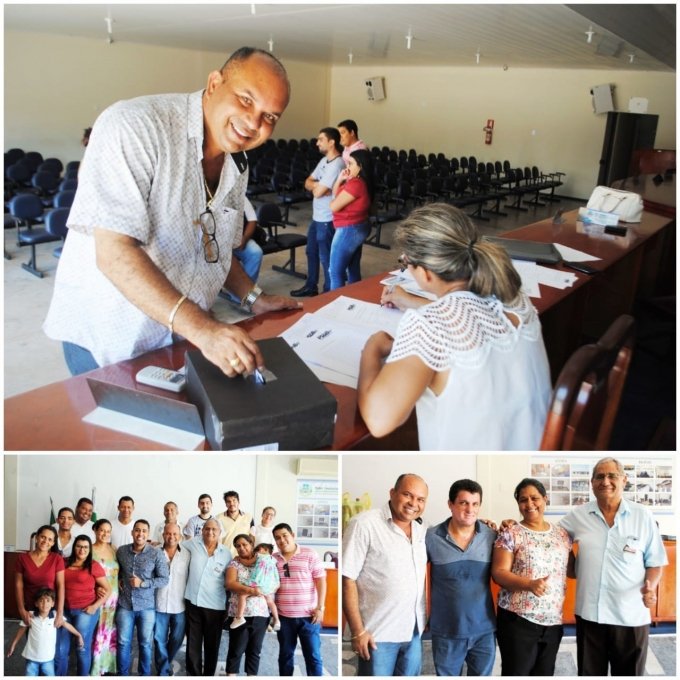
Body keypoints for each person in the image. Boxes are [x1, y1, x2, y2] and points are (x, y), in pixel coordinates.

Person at [44, 46, 300, 379]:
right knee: (119, 433)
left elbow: (214, 249)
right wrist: (205, 330)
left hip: (178, 339)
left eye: (270, 117)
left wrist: (253, 298)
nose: (254, 123)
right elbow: (113, 252)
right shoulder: (136, 126)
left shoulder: (237, 162)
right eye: (246, 100)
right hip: (111, 344)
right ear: (213, 84)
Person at [358, 202, 551, 449]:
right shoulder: (516, 300)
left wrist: (371, 349)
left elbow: (379, 420)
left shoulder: (428, 324)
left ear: (425, 273)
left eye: (405, 262)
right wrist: (414, 301)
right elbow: (472, 314)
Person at [559, 457, 667, 676]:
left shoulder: (642, 516)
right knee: (590, 673)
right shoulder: (578, 515)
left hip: (630, 615)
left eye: (612, 476)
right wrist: (513, 524)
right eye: (600, 476)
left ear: (624, 480)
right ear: (591, 483)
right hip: (590, 614)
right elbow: (550, 535)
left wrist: (651, 586)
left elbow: (655, 562)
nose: (605, 481)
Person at [343, 473, 429, 676]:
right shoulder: (364, 524)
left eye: (420, 499)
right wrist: (358, 631)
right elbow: (347, 580)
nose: (413, 503)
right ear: (392, 493)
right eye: (407, 495)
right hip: (377, 634)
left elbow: (453, 531)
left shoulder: (423, 529)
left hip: (413, 631)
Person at [491, 478, 572, 676]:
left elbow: (572, 570)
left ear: (545, 499)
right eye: (523, 500)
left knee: (544, 673)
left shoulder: (562, 534)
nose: (529, 504)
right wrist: (529, 584)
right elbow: (498, 573)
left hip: (553, 621)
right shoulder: (511, 533)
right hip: (518, 621)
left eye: (534, 498)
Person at [426, 479, 497, 676]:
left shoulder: (492, 535)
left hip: (484, 630)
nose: (470, 509)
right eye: (463, 503)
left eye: (475, 504)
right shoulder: (431, 538)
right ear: (450, 504)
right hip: (446, 631)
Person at [290, 127, 345, 297]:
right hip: (317, 217)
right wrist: (319, 186)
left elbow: (318, 192)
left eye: (321, 139)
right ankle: (311, 286)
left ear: (331, 142)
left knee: (325, 257)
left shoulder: (337, 164)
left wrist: (319, 188)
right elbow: (309, 182)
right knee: (311, 251)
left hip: (327, 218)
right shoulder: (324, 162)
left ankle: (328, 292)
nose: (317, 142)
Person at [115, 520, 169, 676]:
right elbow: (117, 570)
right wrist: (119, 578)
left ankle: (144, 675)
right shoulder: (121, 551)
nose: (140, 534)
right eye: (137, 530)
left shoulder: (156, 553)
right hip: (125, 605)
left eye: (144, 531)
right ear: (132, 532)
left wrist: (143, 583)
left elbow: (164, 579)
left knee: (145, 644)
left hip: (146, 607)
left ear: (148, 533)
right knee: (123, 643)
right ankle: (122, 675)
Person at [273, 523, 326, 676]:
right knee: (285, 656)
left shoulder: (310, 554)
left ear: (293, 535)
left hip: (309, 617)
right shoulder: (273, 559)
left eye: (285, 535)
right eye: (277, 538)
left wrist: (320, 608)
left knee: (313, 656)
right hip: (284, 617)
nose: (282, 540)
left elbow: (321, 580)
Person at [55, 535, 111, 676]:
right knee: (61, 650)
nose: (82, 549)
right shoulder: (63, 562)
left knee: (82, 649)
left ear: (89, 549)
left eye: (86, 547)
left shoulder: (93, 565)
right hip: (64, 610)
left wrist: (94, 606)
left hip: (85, 611)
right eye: (79, 546)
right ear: (74, 547)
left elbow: (108, 589)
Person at [225, 534, 280, 675]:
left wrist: (265, 589)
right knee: (236, 650)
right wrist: (251, 590)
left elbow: (275, 581)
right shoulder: (234, 563)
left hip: (260, 613)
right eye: (238, 546)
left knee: (254, 651)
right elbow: (230, 583)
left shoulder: (264, 559)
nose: (241, 548)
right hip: (239, 613)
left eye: (244, 544)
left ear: (251, 544)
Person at [183, 518, 231, 677]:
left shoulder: (226, 554)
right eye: (207, 529)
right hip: (193, 603)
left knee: (212, 644)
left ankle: (209, 674)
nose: (210, 532)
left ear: (219, 533)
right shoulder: (192, 545)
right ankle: (194, 673)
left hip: (215, 606)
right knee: (193, 643)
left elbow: (229, 580)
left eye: (214, 530)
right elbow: (174, 546)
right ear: (202, 530)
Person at [7, 588, 83, 677]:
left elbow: (67, 625)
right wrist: (13, 645)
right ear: (36, 603)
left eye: (48, 601)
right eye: (41, 601)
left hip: (48, 660)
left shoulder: (55, 615)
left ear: (52, 604)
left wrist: (78, 635)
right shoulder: (30, 615)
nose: (44, 604)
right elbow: (21, 630)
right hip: (32, 658)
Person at [329, 149, 374, 290]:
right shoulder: (361, 182)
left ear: (360, 166)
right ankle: (354, 298)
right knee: (352, 269)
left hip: (349, 229)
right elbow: (336, 193)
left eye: (351, 163)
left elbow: (333, 206)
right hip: (358, 227)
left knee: (335, 272)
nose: (347, 167)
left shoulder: (356, 184)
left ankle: (334, 307)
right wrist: (340, 180)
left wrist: (332, 202)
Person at [154, 523, 190, 676]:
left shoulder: (187, 554)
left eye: (175, 534)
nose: (172, 537)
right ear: (163, 535)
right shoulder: (154, 552)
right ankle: (163, 672)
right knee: (158, 639)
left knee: (177, 638)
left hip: (179, 604)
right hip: (158, 604)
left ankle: (165, 661)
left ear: (180, 536)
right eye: (168, 534)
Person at [16, 525, 65, 629]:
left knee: (50, 643)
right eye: (43, 537)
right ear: (37, 537)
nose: (45, 541)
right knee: (32, 641)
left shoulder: (57, 559)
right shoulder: (22, 558)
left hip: (49, 608)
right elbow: (18, 585)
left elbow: (61, 585)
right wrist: (21, 610)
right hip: (30, 608)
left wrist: (60, 613)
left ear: (53, 543)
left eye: (50, 539)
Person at [91, 518, 119, 676]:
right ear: (95, 530)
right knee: (96, 632)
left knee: (109, 631)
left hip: (114, 599)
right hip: (97, 597)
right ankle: (94, 668)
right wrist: (94, 588)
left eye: (108, 531)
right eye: (102, 530)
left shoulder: (114, 549)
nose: (105, 534)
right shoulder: (90, 550)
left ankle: (106, 666)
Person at [230, 541, 280, 631]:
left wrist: (239, 559)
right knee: (270, 601)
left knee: (242, 595)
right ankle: (276, 620)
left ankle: (239, 617)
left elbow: (248, 563)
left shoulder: (259, 557)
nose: (256, 551)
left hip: (258, 582)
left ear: (265, 550)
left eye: (258, 549)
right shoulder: (273, 559)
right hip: (268, 585)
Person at [225, 197, 264, 303]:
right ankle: (243, 295)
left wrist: (244, 239)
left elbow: (252, 220)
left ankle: (244, 294)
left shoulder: (239, 195)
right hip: (217, 242)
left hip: (237, 239)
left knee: (256, 252)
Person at [217, 490, 254, 556]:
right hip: (225, 555)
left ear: (238, 502)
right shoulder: (218, 518)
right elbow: (217, 539)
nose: (231, 503)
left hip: (244, 555)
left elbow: (252, 537)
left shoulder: (249, 517)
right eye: (228, 501)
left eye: (234, 500)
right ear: (225, 503)